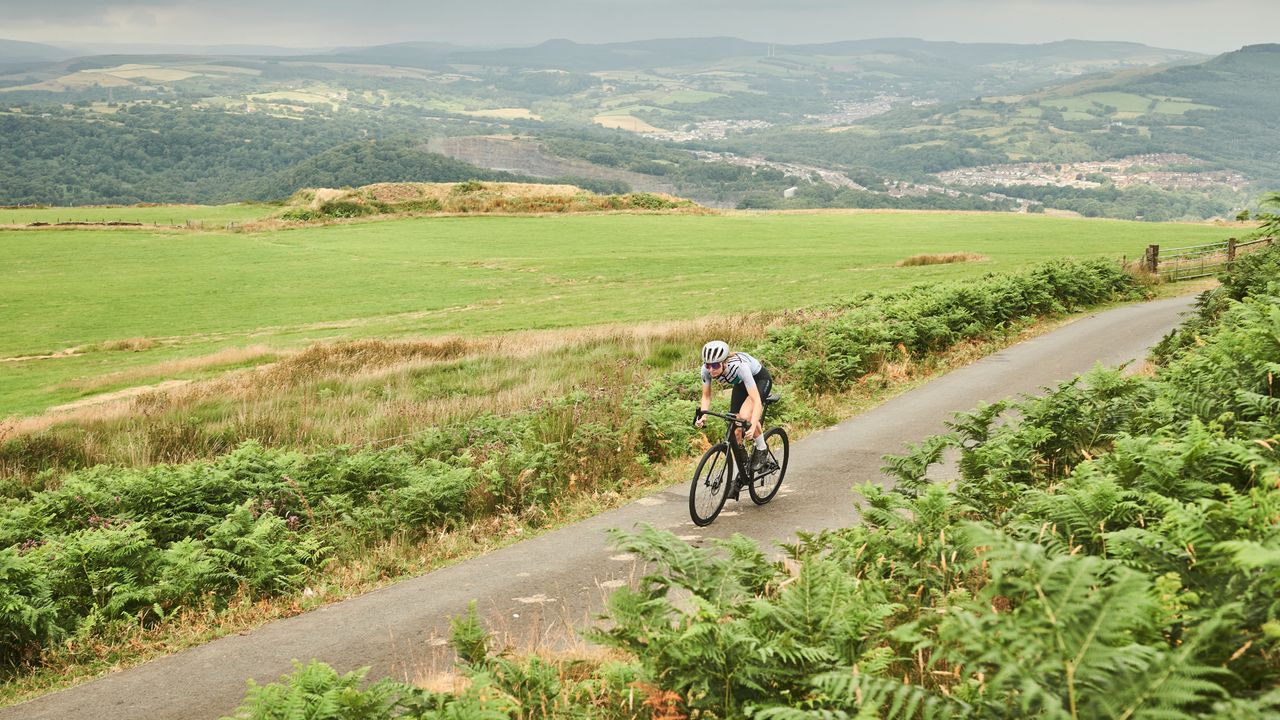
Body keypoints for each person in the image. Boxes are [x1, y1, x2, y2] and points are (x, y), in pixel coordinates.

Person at [695, 340, 773, 474]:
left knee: (745, 416)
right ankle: (741, 470)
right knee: (736, 428)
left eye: (715, 365)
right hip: (741, 383)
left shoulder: (739, 367)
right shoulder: (706, 370)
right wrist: (703, 415)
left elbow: (756, 401)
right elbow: (706, 396)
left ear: (724, 362)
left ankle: (762, 449)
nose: (711, 369)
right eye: (708, 365)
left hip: (759, 380)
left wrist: (753, 424)